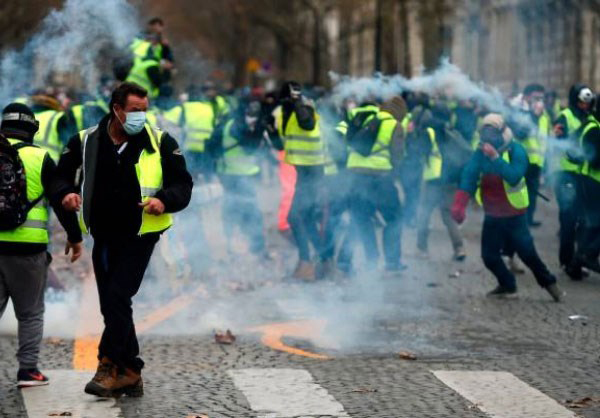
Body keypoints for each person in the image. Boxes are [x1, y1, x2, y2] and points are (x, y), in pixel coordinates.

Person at [53, 82, 193, 397]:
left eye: (144, 110)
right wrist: (67, 193)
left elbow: (183, 184)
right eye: (134, 111)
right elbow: (60, 175)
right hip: (102, 234)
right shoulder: (85, 141)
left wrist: (164, 201)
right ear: (116, 109)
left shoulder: (161, 142)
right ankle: (131, 370)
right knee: (112, 304)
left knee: (117, 295)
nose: (140, 117)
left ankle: (108, 364)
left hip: (140, 235)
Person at [0, 103, 82, 388]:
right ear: (31, 129)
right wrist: (75, 236)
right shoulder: (41, 157)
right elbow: (62, 199)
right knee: (30, 312)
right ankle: (28, 371)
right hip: (28, 249)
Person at [451, 113, 562, 301]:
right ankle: (508, 285)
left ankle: (551, 285)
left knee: (528, 255)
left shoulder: (516, 150)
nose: (488, 142)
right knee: (489, 257)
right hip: (492, 215)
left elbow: (514, 176)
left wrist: (495, 158)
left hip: (514, 214)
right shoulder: (481, 152)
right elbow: (469, 174)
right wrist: (460, 202)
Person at [271, 81, 326, 280]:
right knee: (307, 218)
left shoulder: (305, 108)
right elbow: (281, 145)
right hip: (304, 172)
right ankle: (323, 258)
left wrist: (297, 103)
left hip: (315, 171)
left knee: (296, 217)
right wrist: (271, 131)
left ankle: (307, 263)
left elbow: (308, 124)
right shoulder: (286, 114)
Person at [347, 97, 406, 275]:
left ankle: (371, 260)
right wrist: (394, 175)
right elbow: (397, 154)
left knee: (363, 220)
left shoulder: (366, 118)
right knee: (394, 219)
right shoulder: (394, 125)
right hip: (381, 178)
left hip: (356, 177)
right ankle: (392, 262)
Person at [209, 100, 268, 257]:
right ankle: (256, 248)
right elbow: (250, 148)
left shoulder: (227, 123)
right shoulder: (236, 126)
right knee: (252, 212)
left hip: (229, 174)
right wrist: (260, 129)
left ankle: (232, 245)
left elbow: (211, 147)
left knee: (232, 210)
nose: (252, 117)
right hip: (238, 175)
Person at [416, 103, 469, 261]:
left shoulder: (429, 131)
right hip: (451, 179)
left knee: (424, 213)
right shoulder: (452, 131)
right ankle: (459, 248)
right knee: (448, 215)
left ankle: (422, 249)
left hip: (434, 179)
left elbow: (420, 151)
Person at [553, 85, 595, 279]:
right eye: (581, 103)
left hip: (582, 175)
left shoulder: (590, 118)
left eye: (587, 103)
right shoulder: (565, 116)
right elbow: (559, 140)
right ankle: (566, 260)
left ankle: (578, 260)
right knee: (568, 217)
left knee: (582, 219)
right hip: (565, 173)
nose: (584, 106)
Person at [567, 108, 600, 274]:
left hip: (589, 181)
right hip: (592, 181)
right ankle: (588, 255)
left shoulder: (592, 124)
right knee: (593, 223)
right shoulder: (594, 128)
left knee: (592, 224)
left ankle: (576, 264)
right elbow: (594, 160)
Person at [513, 84, 551, 227]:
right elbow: (520, 134)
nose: (539, 101)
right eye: (536, 97)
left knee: (532, 193)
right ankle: (519, 220)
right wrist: (532, 116)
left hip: (537, 161)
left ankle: (529, 219)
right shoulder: (519, 113)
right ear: (526, 97)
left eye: (541, 98)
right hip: (521, 160)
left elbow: (545, 139)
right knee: (519, 193)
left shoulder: (544, 116)